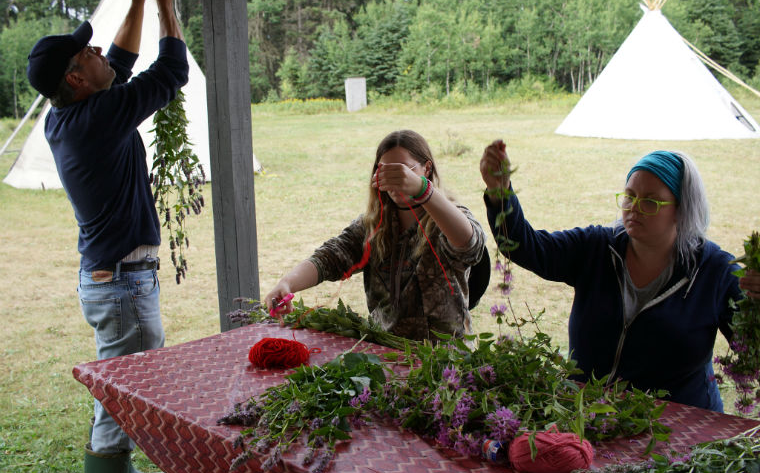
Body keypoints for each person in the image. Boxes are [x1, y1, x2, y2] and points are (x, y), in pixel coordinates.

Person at [25, 0, 186, 473]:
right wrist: (164, 1)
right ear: (75, 77)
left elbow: (119, 60)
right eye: (84, 51)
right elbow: (172, 70)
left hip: (110, 278)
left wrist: (136, 0)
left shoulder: (69, 116)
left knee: (118, 389)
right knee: (125, 392)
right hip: (122, 282)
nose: (97, 50)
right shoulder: (98, 117)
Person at [480, 141, 747, 412]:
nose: (634, 207)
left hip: (680, 428)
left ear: (681, 209)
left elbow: (752, 351)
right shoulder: (596, 248)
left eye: (651, 201)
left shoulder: (715, 271)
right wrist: (500, 192)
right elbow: (527, 247)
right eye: (630, 195)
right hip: (592, 417)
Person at [265, 130, 487, 341]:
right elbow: (330, 257)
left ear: (426, 168)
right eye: (385, 172)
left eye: (403, 172)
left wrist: (422, 190)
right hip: (387, 355)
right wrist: (288, 283)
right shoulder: (373, 224)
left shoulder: (447, 217)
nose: (393, 180)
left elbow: (470, 244)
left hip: (444, 363)